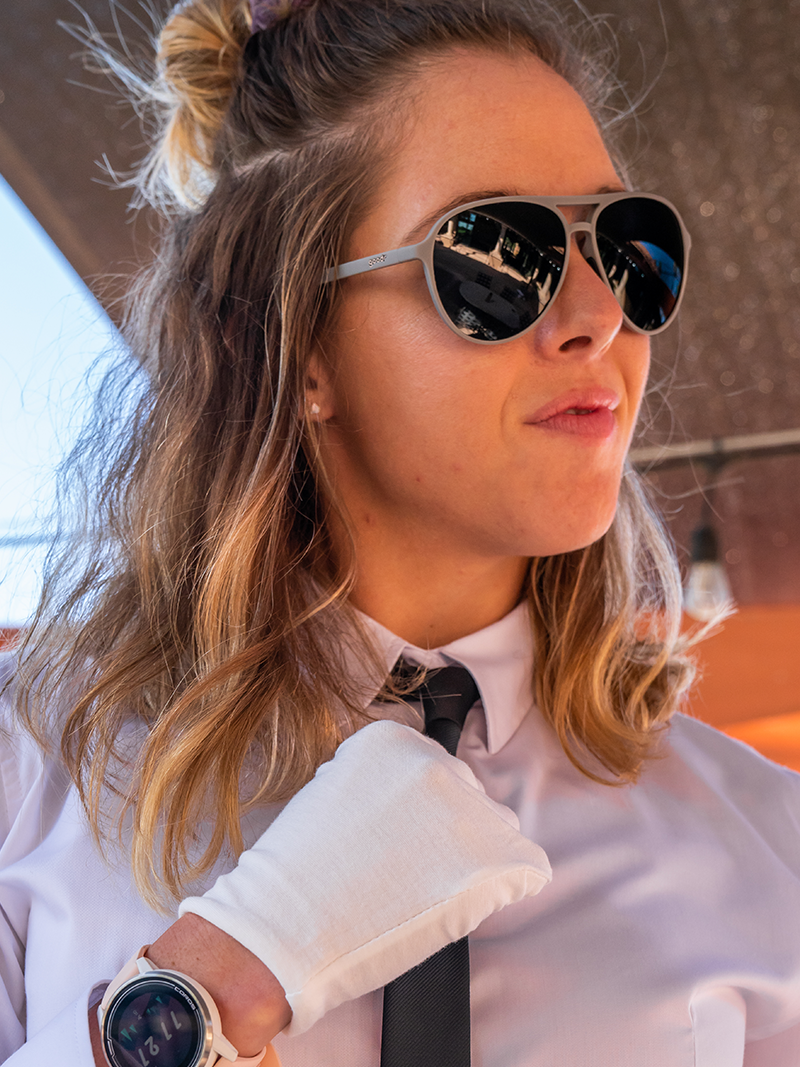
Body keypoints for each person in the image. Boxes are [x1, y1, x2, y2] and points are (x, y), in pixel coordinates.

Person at [2, 0, 800, 1064]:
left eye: (623, 247)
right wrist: (232, 965)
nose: (597, 314)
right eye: (496, 256)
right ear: (290, 342)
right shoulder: (33, 775)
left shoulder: (766, 841)